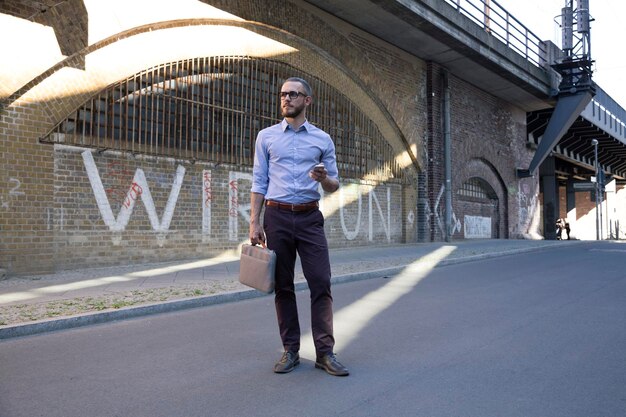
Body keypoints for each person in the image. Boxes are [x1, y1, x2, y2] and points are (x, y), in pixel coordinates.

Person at [249, 77, 349, 377]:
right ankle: (290, 350)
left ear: (307, 100)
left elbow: (334, 184)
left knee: (321, 280)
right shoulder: (266, 137)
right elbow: (259, 181)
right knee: (283, 286)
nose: (286, 98)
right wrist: (254, 221)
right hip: (276, 217)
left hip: (309, 218)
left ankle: (325, 353)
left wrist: (323, 179)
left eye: (293, 94)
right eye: (283, 94)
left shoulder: (322, 139)